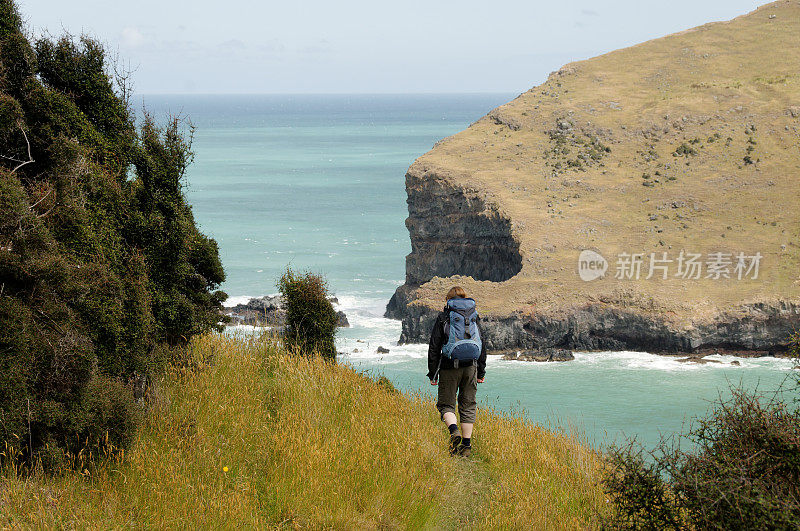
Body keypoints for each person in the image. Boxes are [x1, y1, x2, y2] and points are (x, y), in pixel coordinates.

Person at [428, 286, 486, 457]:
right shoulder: (474, 317)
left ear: (448, 300)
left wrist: (433, 373)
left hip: (448, 366)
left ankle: (454, 432)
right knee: (468, 405)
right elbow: (483, 345)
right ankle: (466, 446)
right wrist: (481, 372)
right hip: (471, 367)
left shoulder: (444, 317)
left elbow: (434, 347)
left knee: (446, 404)